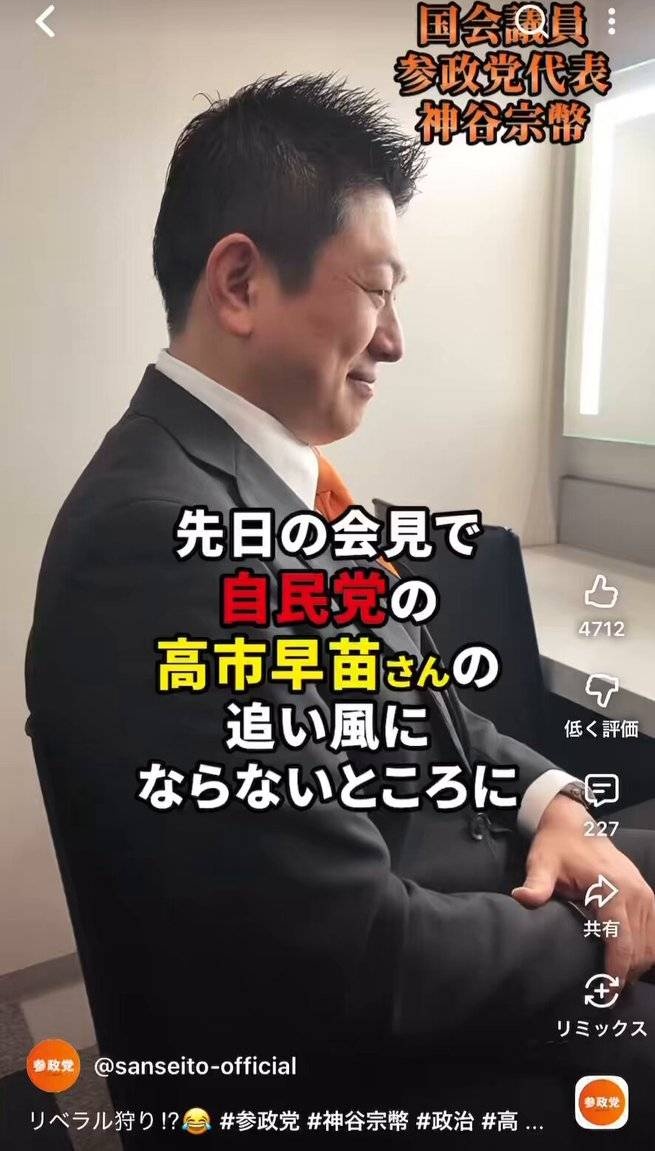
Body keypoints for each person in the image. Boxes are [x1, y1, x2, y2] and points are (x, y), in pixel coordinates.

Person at [25, 74, 655, 1144]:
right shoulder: (160, 544)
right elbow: (355, 960)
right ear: (240, 282)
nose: (394, 339)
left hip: (447, 893)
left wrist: (550, 802)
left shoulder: (272, 485)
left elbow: (429, 712)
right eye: (375, 290)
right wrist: (605, 918)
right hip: (347, 1060)